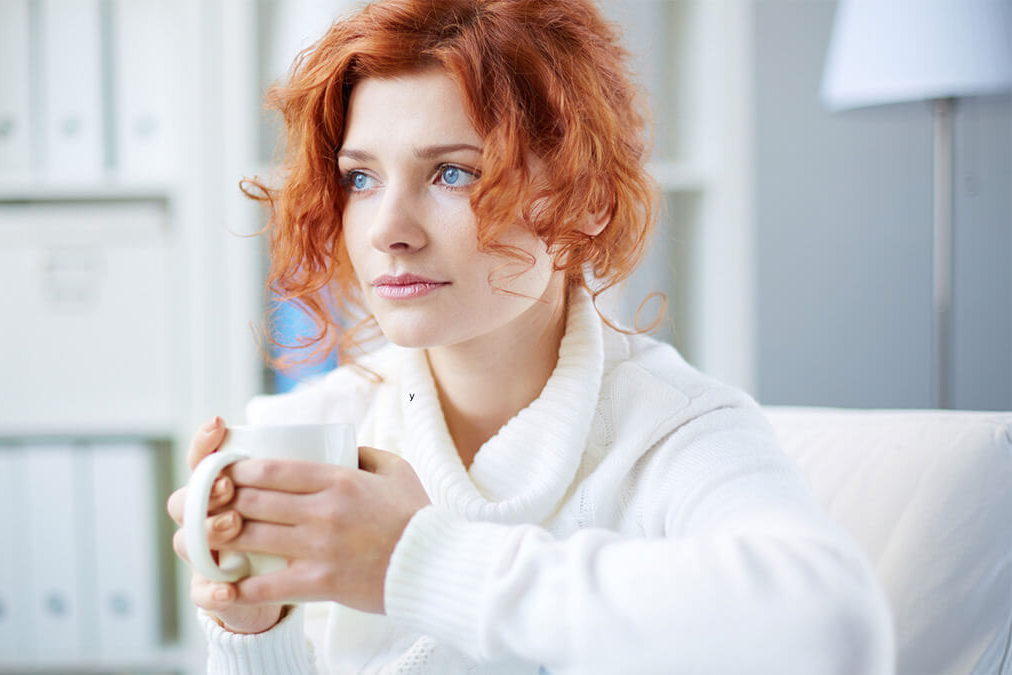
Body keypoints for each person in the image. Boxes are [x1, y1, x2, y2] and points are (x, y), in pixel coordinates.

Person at [166, 0, 895, 672]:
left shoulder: (673, 430)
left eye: (452, 172)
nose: (388, 230)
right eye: (361, 179)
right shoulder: (311, 426)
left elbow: (835, 630)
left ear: (584, 203)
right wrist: (257, 628)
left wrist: (410, 560)